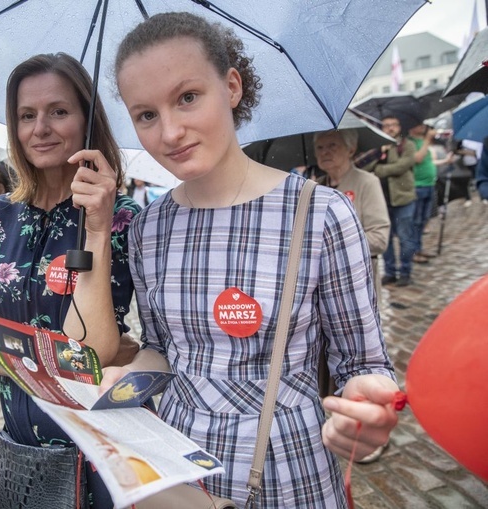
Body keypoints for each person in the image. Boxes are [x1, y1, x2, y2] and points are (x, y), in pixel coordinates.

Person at [102, 12, 399, 507]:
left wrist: (367, 408)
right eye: (146, 115)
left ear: (232, 86)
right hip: (176, 472)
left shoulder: (319, 214)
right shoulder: (147, 227)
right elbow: (161, 350)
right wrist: (127, 379)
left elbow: (363, 361)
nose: (170, 132)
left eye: (187, 97)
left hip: (288, 468)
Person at [0, 53, 139, 508]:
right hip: (20, 445)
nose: (40, 128)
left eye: (58, 111)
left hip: (100, 447)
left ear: (87, 122)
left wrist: (97, 227)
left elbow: (94, 348)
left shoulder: (124, 221)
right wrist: (77, 357)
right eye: (26, 115)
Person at [314, 129, 390, 295]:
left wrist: (331, 244)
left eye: (332, 145)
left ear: (351, 149)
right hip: (322, 283)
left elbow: (379, 239)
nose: (324, 152)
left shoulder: (367, 183)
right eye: (319, 148)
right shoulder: (315, 187)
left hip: (357, 280)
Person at [362, 115, 417, 287]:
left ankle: (406, 271)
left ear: (399, 127)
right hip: (383, 200)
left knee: (405, 237)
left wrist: (380, 169)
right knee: (385, 240)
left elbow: (402, 166)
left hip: (403, 198)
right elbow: (364, 166)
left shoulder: (407, 145)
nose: (390, 128)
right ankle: (391, 271)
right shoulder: (378, 148)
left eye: (393, 125)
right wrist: (380, 154)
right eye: (386, 126)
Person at [408, 123, 439, 263]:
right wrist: (427, 140)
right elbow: (417, 158)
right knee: (416, 221)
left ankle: (419, 248)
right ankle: (414, 251)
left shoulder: (421, 140)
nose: (422, 126)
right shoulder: (410, 142)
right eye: (418, 123)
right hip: (418, 185)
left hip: (429, 185)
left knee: (424, 219)